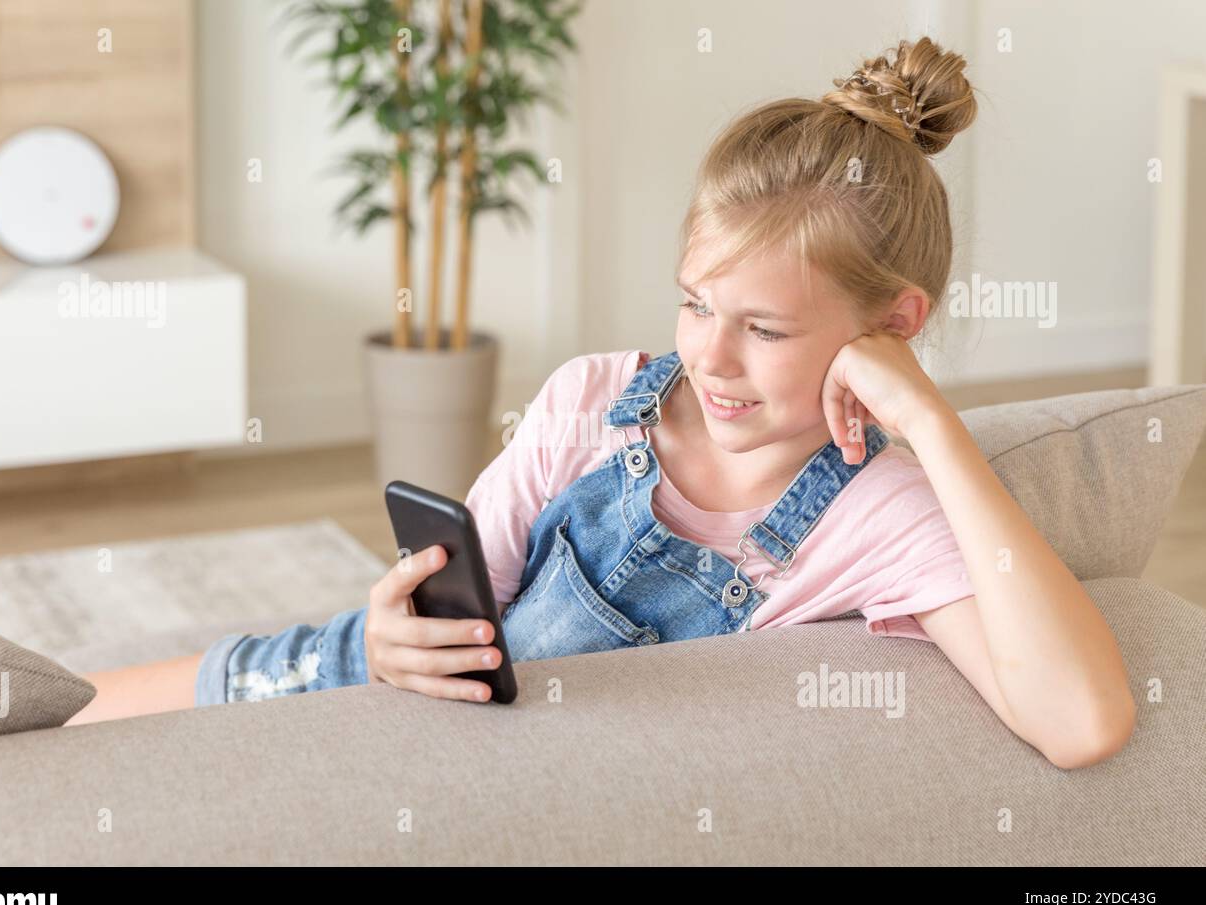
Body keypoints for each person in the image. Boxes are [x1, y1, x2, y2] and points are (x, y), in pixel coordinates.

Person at [67, 37, 1136, 771]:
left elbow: (1083, 721)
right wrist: (396, 630)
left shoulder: (881, 515)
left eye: (762, 329)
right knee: (86, 706)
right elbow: (455, 597)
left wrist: (934, 424)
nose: (710, 357)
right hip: (397, 685)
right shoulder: (590, 395)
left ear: (894, 328)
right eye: (693, 303)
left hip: (492, 771)